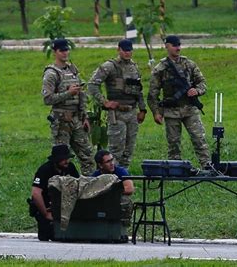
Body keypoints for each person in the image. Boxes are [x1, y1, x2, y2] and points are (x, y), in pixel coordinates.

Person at [147, 35, 213, 171]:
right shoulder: (160, 69)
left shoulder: (189, 64)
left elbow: (203, 83)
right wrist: (156, 112)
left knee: (199, 139)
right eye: (174, 45)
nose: (178, 48)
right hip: (171, 111)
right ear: (167, 46)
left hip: (190, 109)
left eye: (179, 45)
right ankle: (175, 168)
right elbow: (153, 94)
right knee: (173, 143)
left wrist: (197, 91)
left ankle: (207, 166)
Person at [88, 39, 147, 169]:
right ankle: (111, 178)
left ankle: (123, 176)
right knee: (116, 150)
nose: (127, 53)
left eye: (129, 50)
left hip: (132, 113)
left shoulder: (134, 67)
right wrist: (105, 102)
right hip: (117, 114)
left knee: (129, 149)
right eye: (124, 50)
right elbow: (92, 85)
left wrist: (142, 109)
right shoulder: (110, 66)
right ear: (118, 50)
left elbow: (139, 90)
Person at [42, 38, 94, 175]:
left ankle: (89, 187)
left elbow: (81, 94)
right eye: (62, 51)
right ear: (55, 52)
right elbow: (47, 99)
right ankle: (60, 186)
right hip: (61, 121)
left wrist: (85, 116)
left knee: (87, 155)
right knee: (61, 159)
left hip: (77, 119)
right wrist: (68, 93)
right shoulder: (51, 74)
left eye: (67, 50)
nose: (65, 53)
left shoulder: (72, 69)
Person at [30, 144, 80, 241]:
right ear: (56, 160)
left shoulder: (70, 168)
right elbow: (36, 193)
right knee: (48, 235)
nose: (67, 161)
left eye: (67, 158)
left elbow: (78, 186)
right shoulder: (44, 170)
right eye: (63, 159)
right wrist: (45, 213)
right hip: (47, 207)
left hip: (65, 206)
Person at [92, 149, 134, 225]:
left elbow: (130, 189)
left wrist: (111, 192)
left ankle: (123, 227)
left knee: (125, 201)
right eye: (108, 162)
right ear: (100, 165)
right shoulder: (95, 176)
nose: (112, 163)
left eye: (112, 160)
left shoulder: (121, 171)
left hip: (116, 199)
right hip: (101, 201)